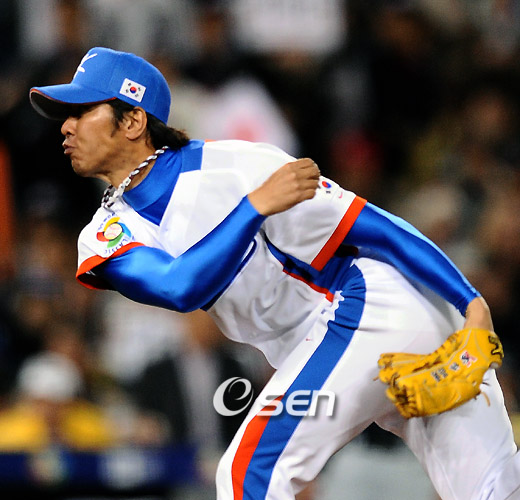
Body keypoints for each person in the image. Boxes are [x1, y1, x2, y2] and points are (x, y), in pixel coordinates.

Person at [29, 47, 519, 500]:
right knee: (495, 490)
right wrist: (253, 209)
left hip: (370, 307)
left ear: (134, 120)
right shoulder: (103, 234)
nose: (65, 127)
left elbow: (375, 227)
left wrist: (471, 302)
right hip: (341, 345)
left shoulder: (236, 163)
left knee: (248, 474)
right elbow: (179, 287)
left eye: (81, 111)